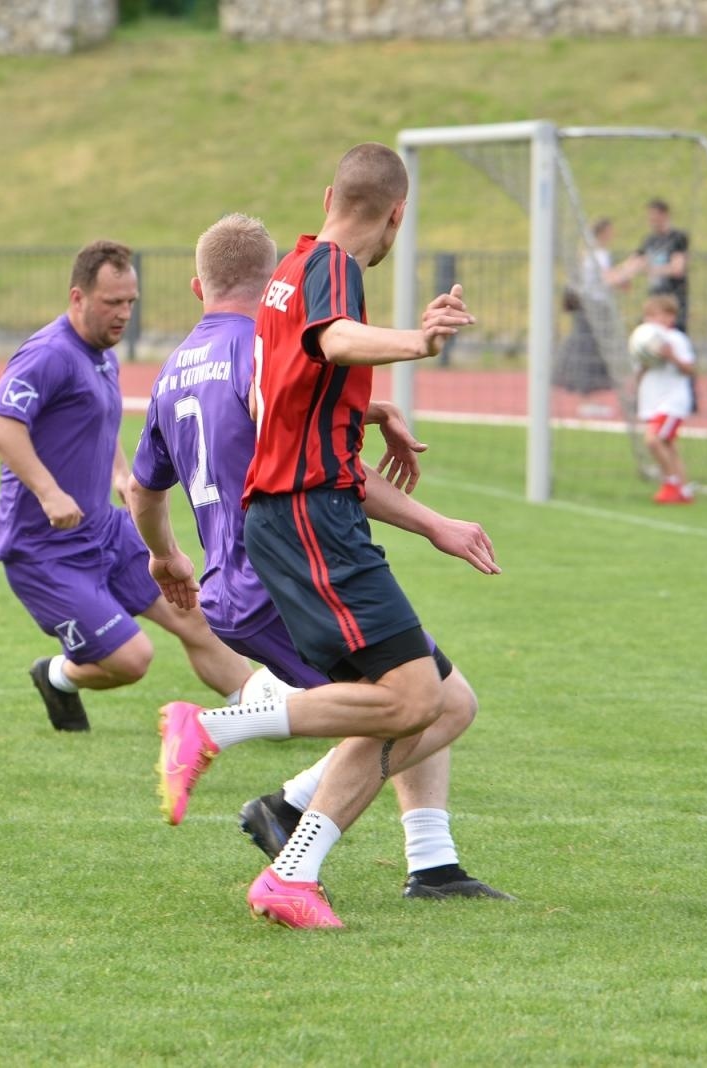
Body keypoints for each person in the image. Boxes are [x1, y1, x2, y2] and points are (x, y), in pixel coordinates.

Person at [151, 143, 502, 929]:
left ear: (327, 193)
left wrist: (369, 419)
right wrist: (418, 341)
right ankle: (208, 728)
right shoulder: (335, 267)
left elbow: (291, 400)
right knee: (414, 697)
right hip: (310, 520)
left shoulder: (288, 275)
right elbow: (336, 340)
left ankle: (296, 861)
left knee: (435, 702)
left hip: (306, 513)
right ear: (398, 213)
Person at [0, 240, 251, 732]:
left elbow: (96, 425)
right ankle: (58, 675)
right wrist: (48, 491)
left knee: (192, 610)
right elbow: (0, 425)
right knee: (132, 659)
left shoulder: (103, 356)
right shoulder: (47, 355)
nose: (124, 314)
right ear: (78, 297)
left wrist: (121, 476)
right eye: (112, 303)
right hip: (44, 550)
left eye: (131, 302)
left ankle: (260, 712)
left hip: (103, 531)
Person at [633, 294, 698, 504]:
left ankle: (671, 484)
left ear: (671, 318)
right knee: (669, 446)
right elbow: (638, 374)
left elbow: (689, 369)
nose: (654, 321)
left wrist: (671, 356)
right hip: (653, 401)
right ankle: (685, 491)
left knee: (653, 440)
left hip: (672, 402)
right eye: (650, 316)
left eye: (660, 316)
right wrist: (646, 360)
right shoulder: (642, 341)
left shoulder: (677, 340)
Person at [554, 216, 628, 398]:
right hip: (594, 307)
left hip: (586, 306)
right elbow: (608, 279)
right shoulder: (598, 255)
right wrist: (630, 269)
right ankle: (586, 392)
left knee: (581, 346)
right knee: (589, 349)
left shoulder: (586, 254)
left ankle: (582, 390)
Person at [626, 198, 690, 333]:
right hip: (654, 299)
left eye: (654, 216)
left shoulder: (677, 238)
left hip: (671, 298)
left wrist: (651, 270)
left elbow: (677, 268)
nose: (651, 220)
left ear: (664, 215)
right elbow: (633, 262)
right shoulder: (649, 240)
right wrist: (619, 276)